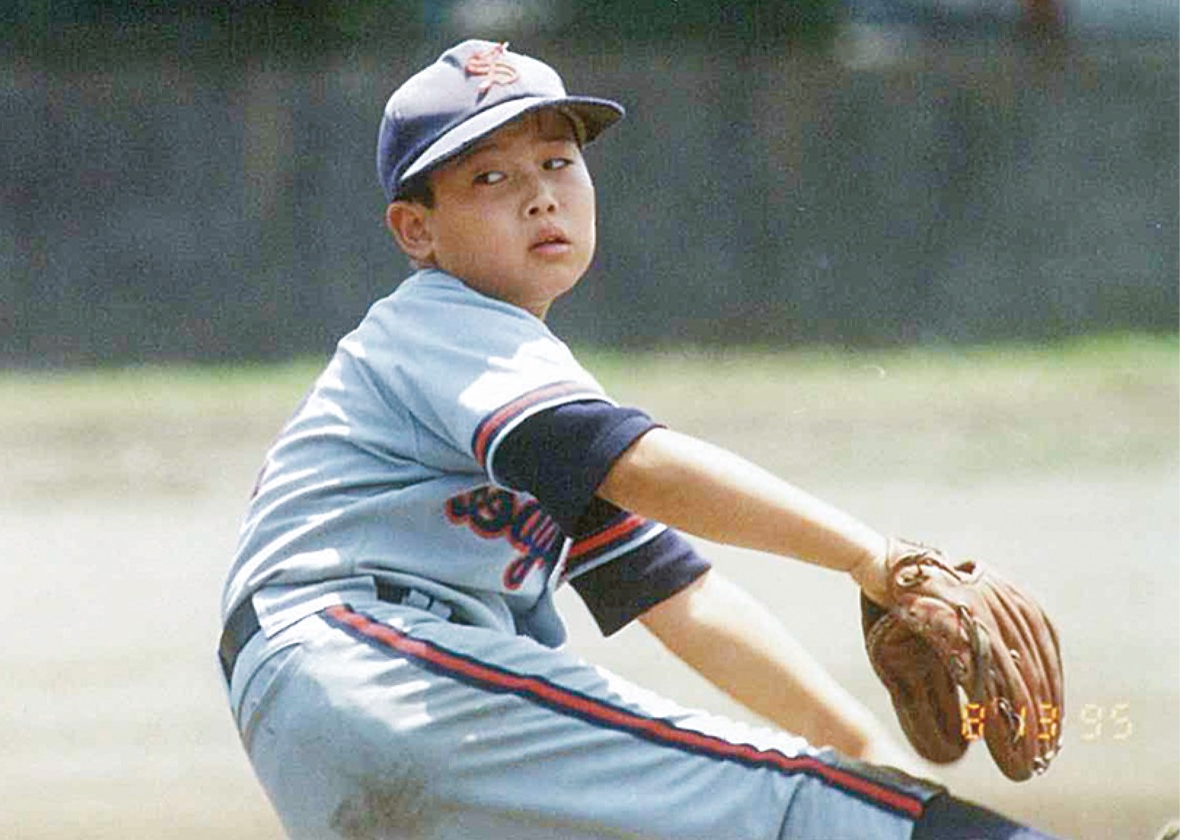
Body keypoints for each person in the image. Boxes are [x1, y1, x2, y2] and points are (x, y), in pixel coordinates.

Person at [218, 39, 1063, 839]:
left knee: (820, 799)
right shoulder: (443, 326)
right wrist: (874, 556)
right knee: (798, 808)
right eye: (490, 176)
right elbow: (646, 465)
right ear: (416, 231)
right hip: (373, 661)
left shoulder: (505, 384)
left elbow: (680, 598)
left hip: (351, 709)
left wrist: (862, 749)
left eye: (558, 162)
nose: (540, 194)